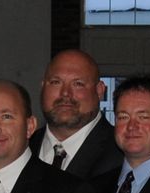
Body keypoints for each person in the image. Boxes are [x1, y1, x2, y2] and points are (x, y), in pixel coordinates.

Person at [29, 49, 120, 177]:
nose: (65, 93)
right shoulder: (20, 149)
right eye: (56, 82)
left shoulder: (123, 154)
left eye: (78, 84)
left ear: (99, 91)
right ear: (43, 87)